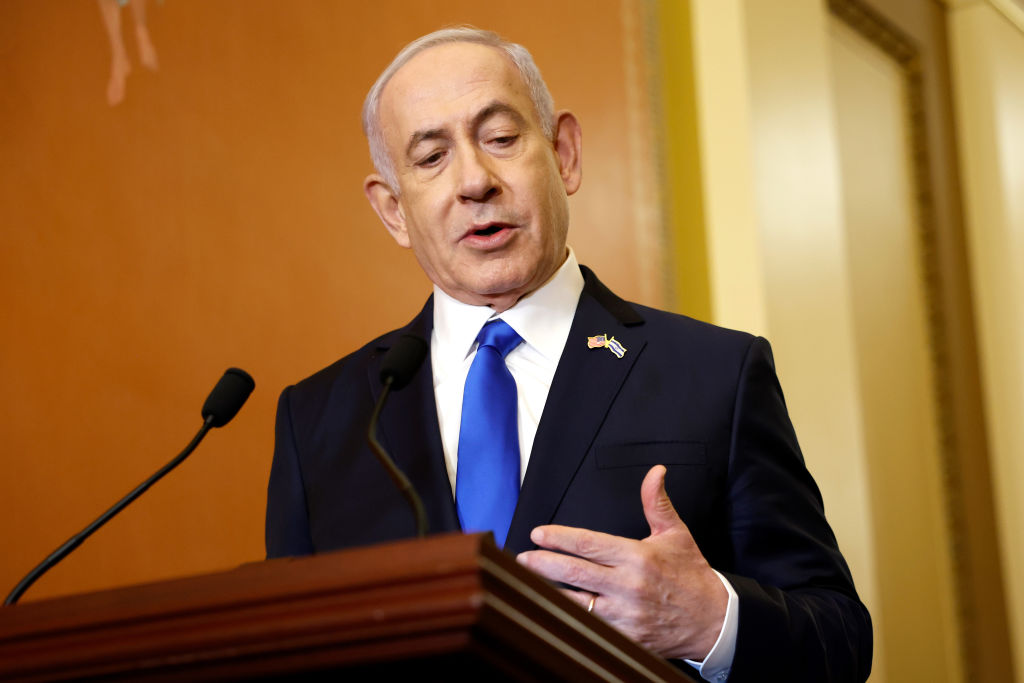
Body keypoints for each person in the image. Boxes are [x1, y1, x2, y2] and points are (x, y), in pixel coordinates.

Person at [266, 27, 872, 683]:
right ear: (392, 210)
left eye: (500, 138)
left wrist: (710, 621)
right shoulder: (321, 417)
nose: (475, 180)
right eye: (432, 157)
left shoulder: (715, 374)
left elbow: (839, 639)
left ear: (565, 154)